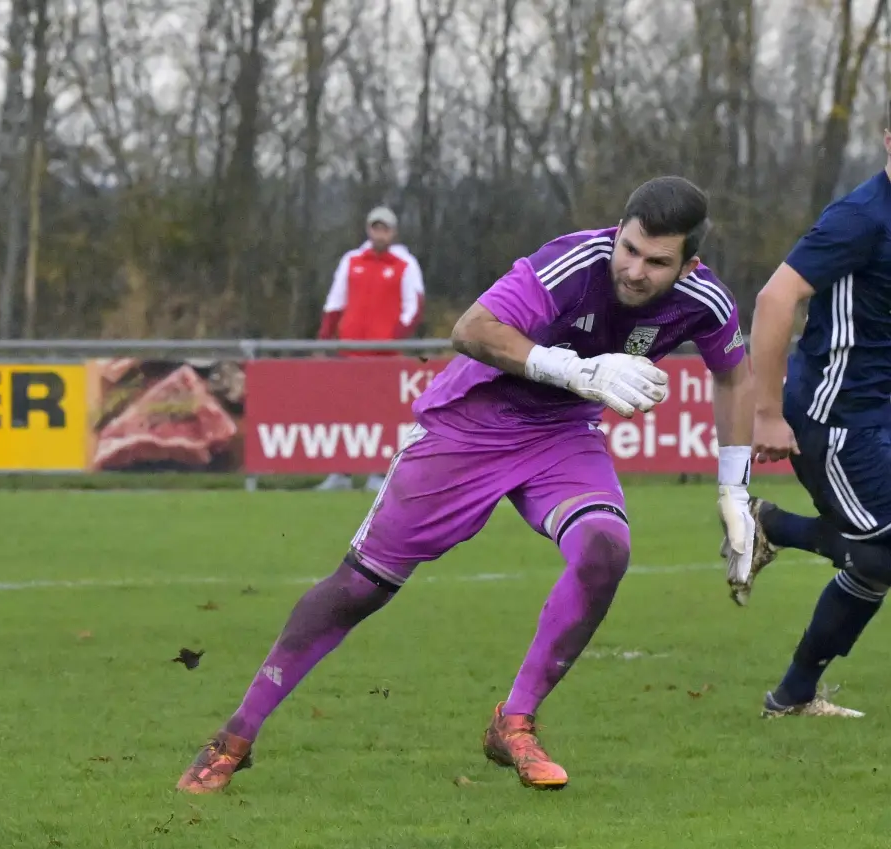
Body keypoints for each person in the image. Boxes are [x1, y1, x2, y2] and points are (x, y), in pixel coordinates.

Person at [178, 176, 755, 793]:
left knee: (605, 548)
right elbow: (472, 329)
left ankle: (515, 722)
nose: (636, 270)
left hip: (560, 433)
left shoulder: (706, 299)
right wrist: (573, 367)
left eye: (657, 261)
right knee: (358, 588)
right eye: (631, 249)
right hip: (470, 422)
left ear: (688, 263)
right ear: (620, 231)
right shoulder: (573, 262)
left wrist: (734, 490)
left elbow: (734, 377)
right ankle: (235, 735)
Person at [738, 119, 891, 719]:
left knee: (875, 561)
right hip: (835, 419)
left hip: (876, 412)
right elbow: (775, 298)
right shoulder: (861, 218)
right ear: (887, 136)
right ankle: (776, 526)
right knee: (879, 554)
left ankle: (793, 697)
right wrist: (768, 414)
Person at [316, 205, 427, 491]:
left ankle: (379, 473)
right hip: (350, 353)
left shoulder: (405, 264)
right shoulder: (352, 260)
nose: (380, 233)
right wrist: (326, 338)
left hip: (384, 357)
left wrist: (391, 337)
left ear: (393, 231)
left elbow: (413, 308)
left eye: (385, 228)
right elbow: (335, 301)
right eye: (375, 227)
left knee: (383, 415)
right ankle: (340, 473)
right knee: (344, 413)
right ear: (368, 229)